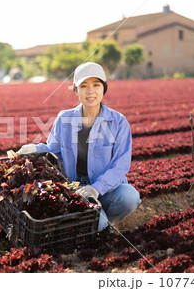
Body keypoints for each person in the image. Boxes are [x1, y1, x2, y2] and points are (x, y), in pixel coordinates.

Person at [17, 62, 141, 232]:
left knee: (129, 197)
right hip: (75, 190)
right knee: (97, 225)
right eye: (84, 86)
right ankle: (101, 222)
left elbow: (120, 166)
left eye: (96, 85)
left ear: (104, 88)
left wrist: (96, 188)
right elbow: (53, 149)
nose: (90, 91)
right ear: (75, 90)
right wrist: (35, 149)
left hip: (106, 188)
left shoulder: (118, 122)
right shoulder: (64, 118)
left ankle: (108, 220)